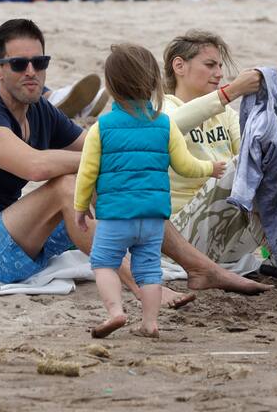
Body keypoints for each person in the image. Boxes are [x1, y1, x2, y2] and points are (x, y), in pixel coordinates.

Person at [0, 18, 267, 300]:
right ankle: (141, 286)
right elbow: (35, 166)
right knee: (67, 186)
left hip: (18, 242)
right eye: (19, 64)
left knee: (123, 179)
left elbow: (94, 144)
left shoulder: (40, 110)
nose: (31, 71)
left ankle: (202, 268)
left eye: (39, 63)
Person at [74, 44, 224, 338]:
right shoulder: (164, 124)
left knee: (104, 262)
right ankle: (150, 323)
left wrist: (80, 207)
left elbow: (86, 173)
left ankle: (116, 312)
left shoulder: (101, 128)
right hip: (154, 218)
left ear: (111, 86)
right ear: (155, 82)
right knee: (149, 271)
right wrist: (210, 168)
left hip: (116, 216)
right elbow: (185, 165)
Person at [162, 31, 277, 275]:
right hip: (179, 237)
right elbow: (168, 129)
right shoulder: (161, 108)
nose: (219, 73)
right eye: (210, 65)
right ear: (179, 66)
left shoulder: (225, 115)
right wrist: (231, 91)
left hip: (229, 236)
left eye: (220, 66)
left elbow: (260, 159)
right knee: (238, 169)